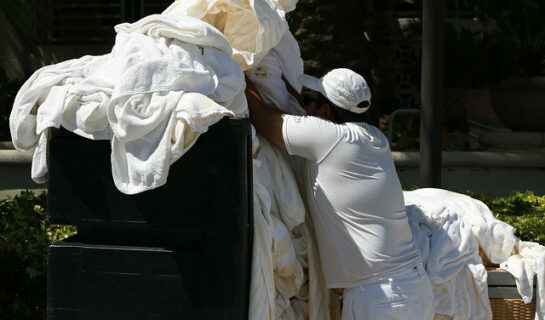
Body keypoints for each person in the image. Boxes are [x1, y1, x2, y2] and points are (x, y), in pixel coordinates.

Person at [245, 68, 435, 320]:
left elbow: (263, 118)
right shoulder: (375, 138)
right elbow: (302, 116)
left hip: (380, 299)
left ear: (325, 111)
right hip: (413, 289)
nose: (303, 108)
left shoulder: (330, 139)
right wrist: (294, 92)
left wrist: (239, 74)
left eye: (308, 101)